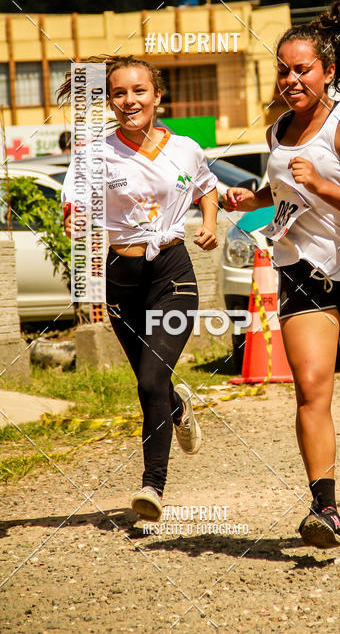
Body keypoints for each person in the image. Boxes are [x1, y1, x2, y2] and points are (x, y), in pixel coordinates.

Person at [223, 0, 340, 548]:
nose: (291, 79)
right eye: (284, 70)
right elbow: (282, 189)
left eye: (302, 69)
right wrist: (251, 198)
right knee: (310, 388)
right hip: (301, 266)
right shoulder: (277, 129)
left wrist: (323, 185)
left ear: (327, 71)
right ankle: (325, 507)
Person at [59, 56, 219, 520]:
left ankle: (152, 488)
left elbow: (206, 186)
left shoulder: (185, 148)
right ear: (110, 102)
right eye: (119, 93)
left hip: (172, 274)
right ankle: (177, 407)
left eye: (138, 91)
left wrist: (209, 222)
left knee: (151, 380)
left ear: (157, 96)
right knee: (152, 384)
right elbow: (73, 202)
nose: (129, 101)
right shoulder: (94, 154)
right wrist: (73, 220)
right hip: (120, 279)